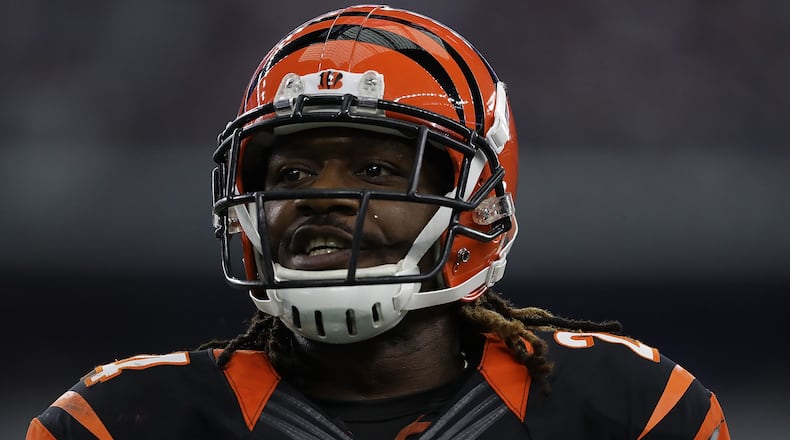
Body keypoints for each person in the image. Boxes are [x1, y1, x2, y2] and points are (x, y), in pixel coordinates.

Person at [27, 4, 729, 439]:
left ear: (477, 199)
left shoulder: (629, 411)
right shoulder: (123, 422)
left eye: (375, 171)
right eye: (293, 174)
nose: (321, 197)